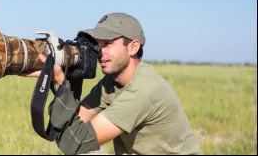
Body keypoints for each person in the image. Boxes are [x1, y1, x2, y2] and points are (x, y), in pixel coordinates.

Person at [23, 12, 202, 155]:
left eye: (107, 44)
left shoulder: (143, 91)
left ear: (133, 47)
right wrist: (61, 80)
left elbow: (75, 143)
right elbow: (72, 124)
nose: (99, 51)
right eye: (97, 44)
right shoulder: (111, 82)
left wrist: (61, 82)